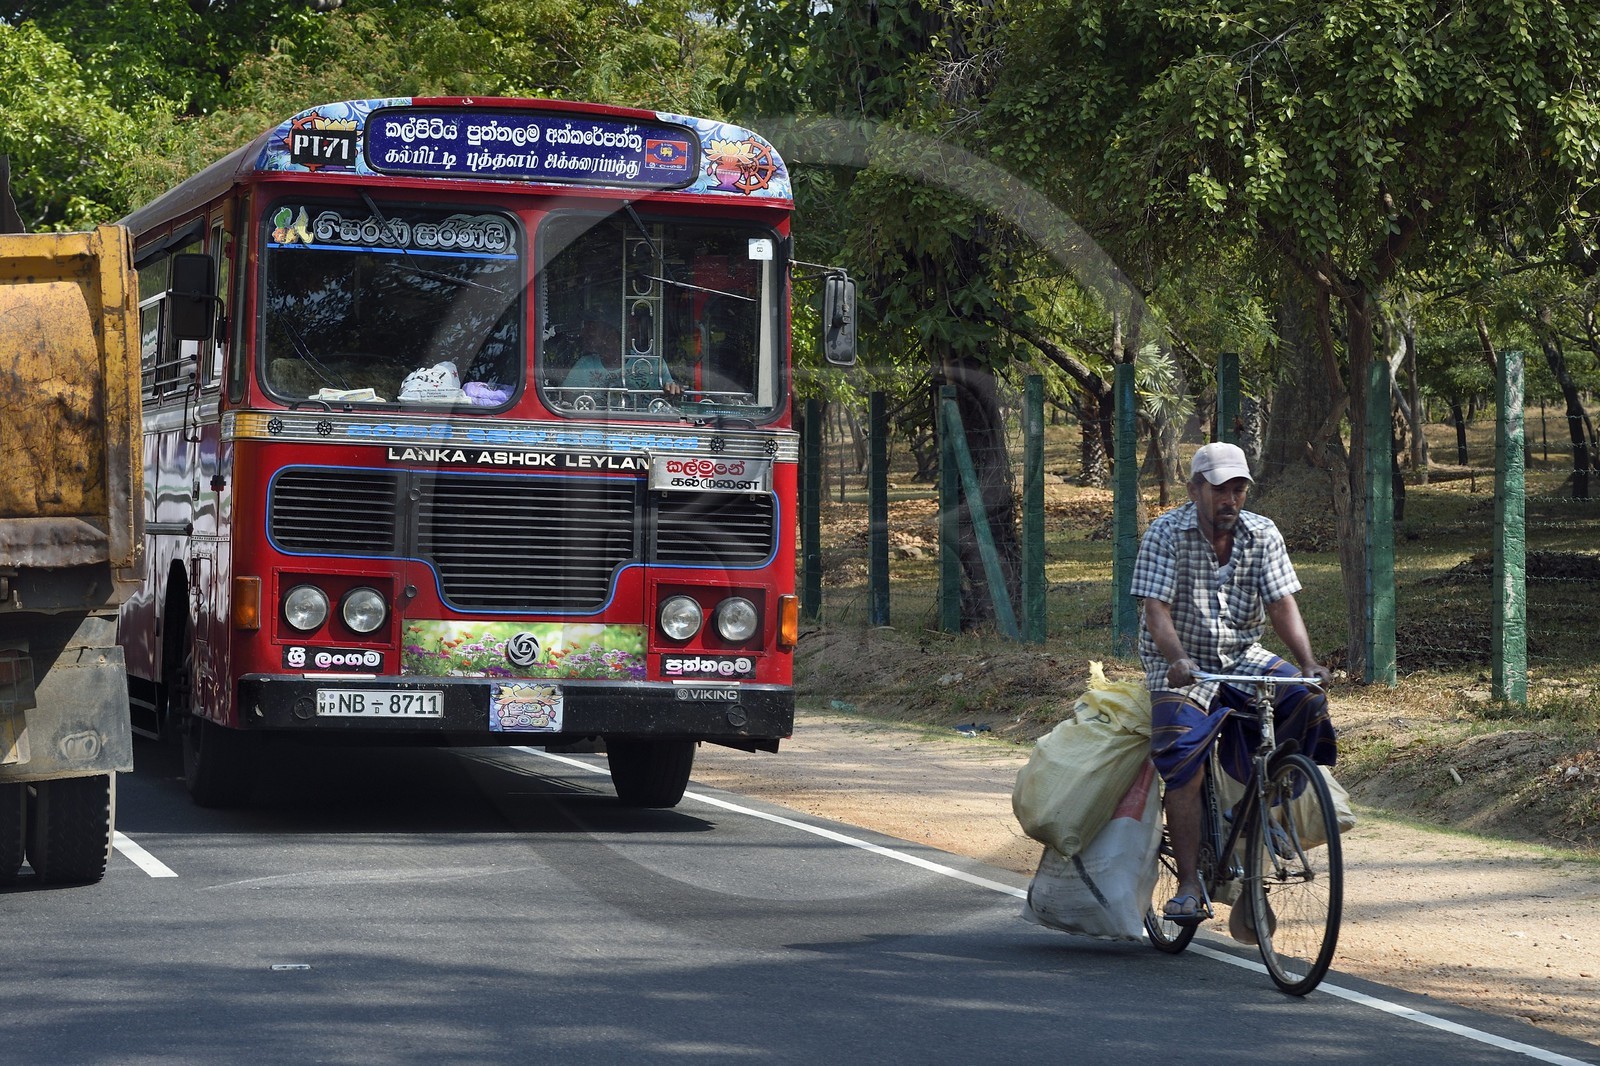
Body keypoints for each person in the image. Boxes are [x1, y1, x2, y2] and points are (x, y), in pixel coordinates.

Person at [1130, 441, 1336, 942]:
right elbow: (1155, 609)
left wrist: (1307, 662)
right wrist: (1178, 660)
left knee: (1306, 700)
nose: (1231, 498)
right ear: (1195, 488)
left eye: (1238, 487)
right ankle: (1189, 884)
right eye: (1220, 488)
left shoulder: (1262, 533)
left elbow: (1281, 603)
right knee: (1182, 759)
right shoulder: (1166, 533)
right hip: (1179, 666)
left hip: (1243, 658)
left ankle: (1270, 805)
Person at [562, 315, 683, 398]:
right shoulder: (585, 365)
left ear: (610, 337)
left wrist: (673, 389)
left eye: (592, 329)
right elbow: (565, 399)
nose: (584, 334)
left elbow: (671, 390)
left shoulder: (653, 364)